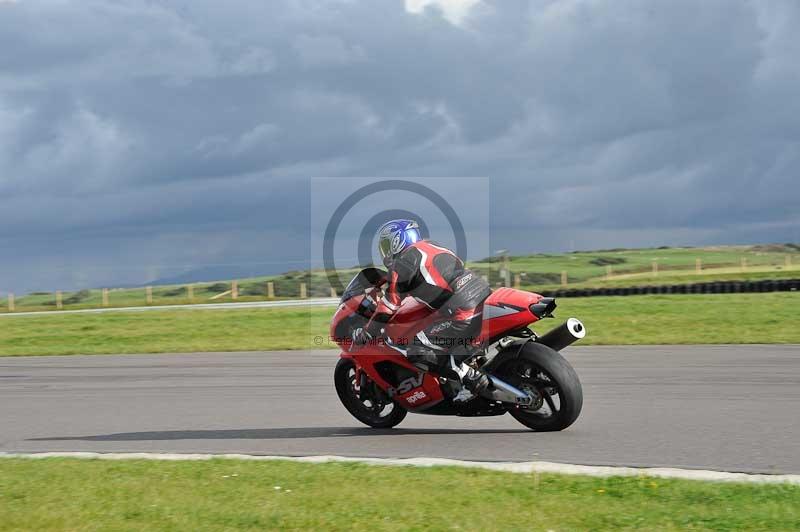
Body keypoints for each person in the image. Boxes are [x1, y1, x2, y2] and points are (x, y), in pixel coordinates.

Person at [351, 219, 492, 396]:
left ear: (397, 241)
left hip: (462, 311)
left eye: (387, 245)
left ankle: (470, 379)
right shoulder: (433, 246)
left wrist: (368, 332)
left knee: (417, 350)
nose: (385, 251)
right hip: (483, 295)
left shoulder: (401, 263)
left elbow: (389, 305)